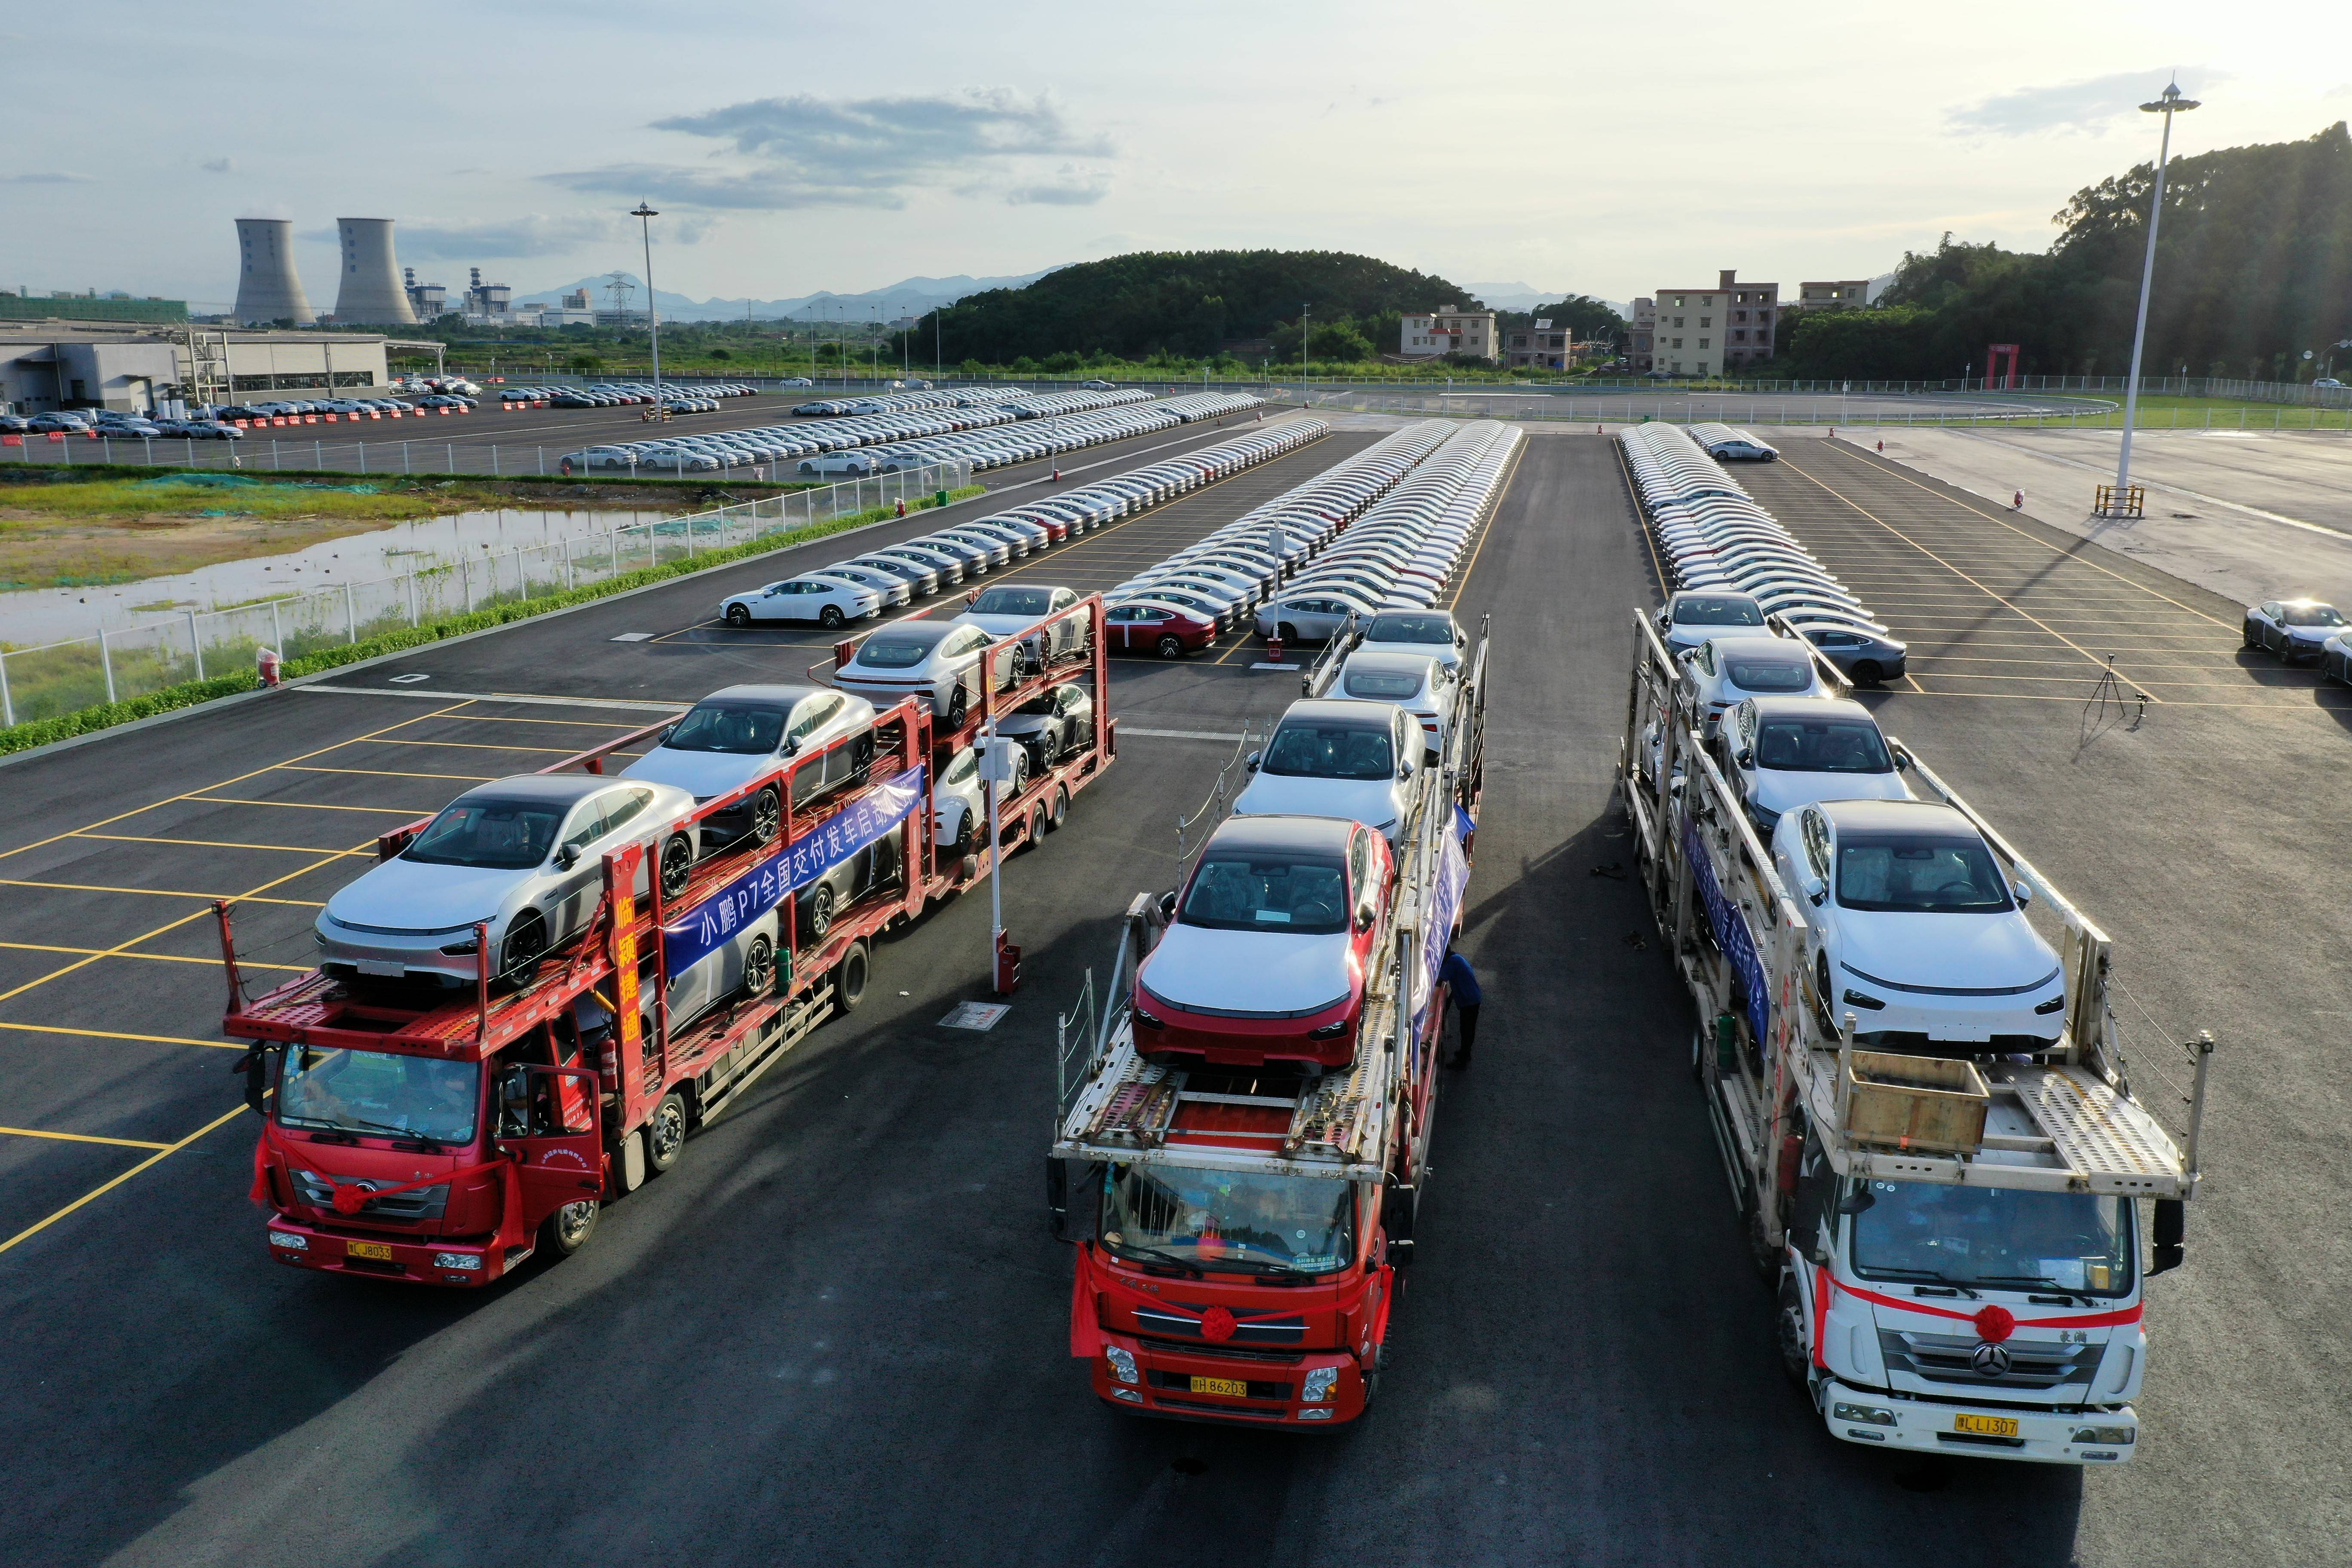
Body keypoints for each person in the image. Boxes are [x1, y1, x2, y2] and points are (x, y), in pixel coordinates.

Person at [1439, 947, 1481, 1069]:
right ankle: (1465, 1052)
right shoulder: (1457, 959)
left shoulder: (1451, 963)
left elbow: (1440, 979)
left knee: (1466, 1030)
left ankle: (1462, 1061)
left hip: (1469, 1001)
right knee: (1469, 1029)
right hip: (1473, 998)